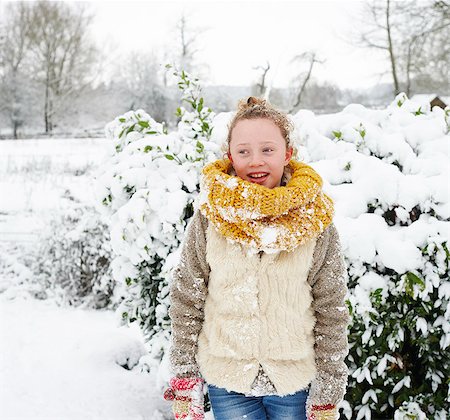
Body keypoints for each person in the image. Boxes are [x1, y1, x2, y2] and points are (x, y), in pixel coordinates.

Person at [164, 97, 350, 420]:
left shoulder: (314, 221)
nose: (255, 161)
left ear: (287, 154)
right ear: (230, 155)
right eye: (244, 151)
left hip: (294, 384)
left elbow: (331, 307)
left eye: (268, 149)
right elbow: (186, 297)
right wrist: (185, 374)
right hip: (229, 381)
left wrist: (329, 384)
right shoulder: (210, 218)